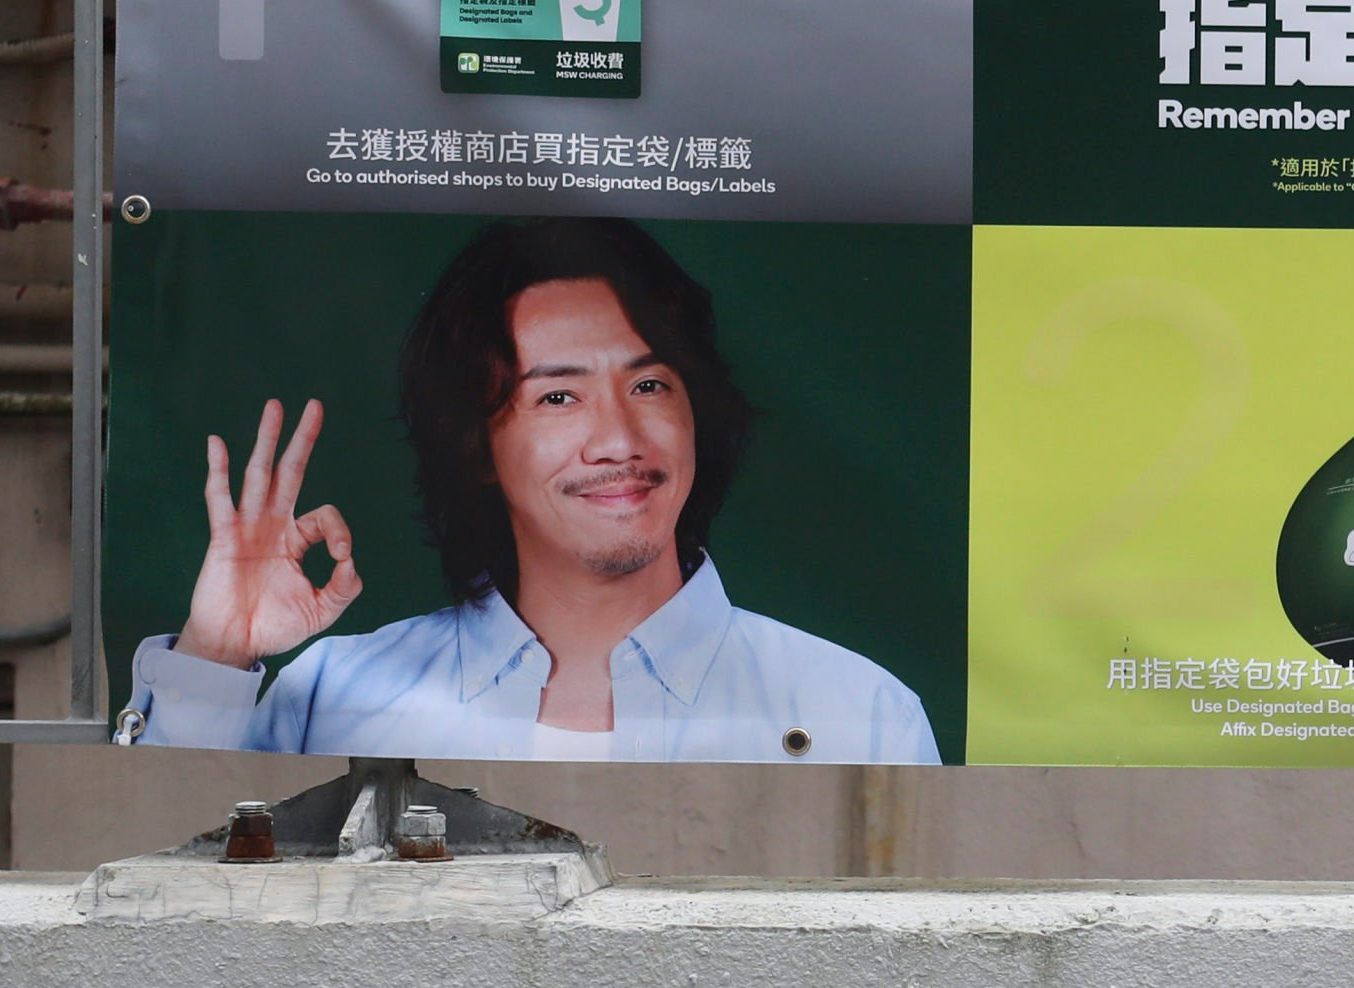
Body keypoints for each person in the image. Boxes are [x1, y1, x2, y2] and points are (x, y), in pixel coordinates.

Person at [122, 218, 940, 762]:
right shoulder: (334, 697)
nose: (619, 440)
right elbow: (155, 926)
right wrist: (216, 656)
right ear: (476, 443)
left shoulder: (859, 714)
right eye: (557, 396)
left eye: (651, 386)